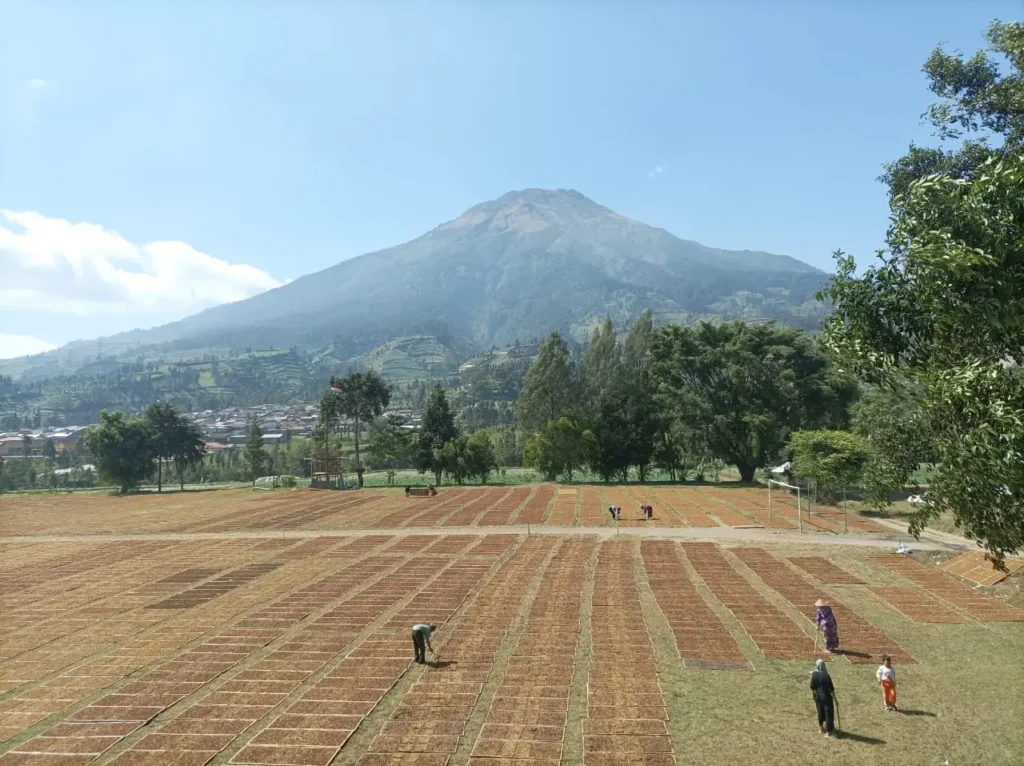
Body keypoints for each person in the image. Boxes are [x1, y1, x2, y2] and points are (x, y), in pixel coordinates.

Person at [809, 659, 836, 737]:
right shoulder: (826, 676)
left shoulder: (814, 674)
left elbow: (812, 686)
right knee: (828, 713)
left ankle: (821, 728)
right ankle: (828, 732)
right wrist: (836, 700)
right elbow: (831, 690)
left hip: (818, 696)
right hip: (826, 697)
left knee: (820, 711)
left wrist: (814, 695)